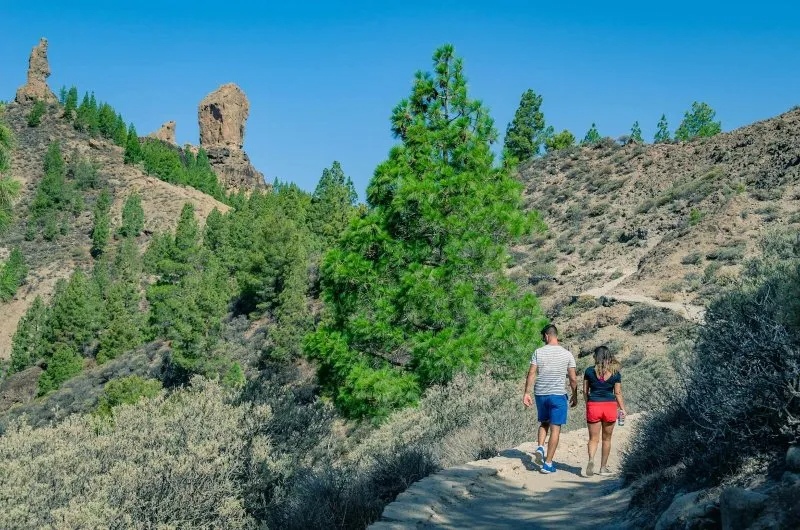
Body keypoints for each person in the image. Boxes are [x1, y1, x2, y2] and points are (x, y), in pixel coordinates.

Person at [522, 324, 578, 474]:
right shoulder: (567, 354)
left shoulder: (538, 352)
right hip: (558, 395)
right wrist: (575, 395)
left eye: (543, 337)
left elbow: (532, 373)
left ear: (547, 336)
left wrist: (526, 392)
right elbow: (573, 378)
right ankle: (548, 464)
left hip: (540, 393)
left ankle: (540, 446)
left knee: (544, 422)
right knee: (555, 428)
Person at [583, 345, 627, 477]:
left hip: (594, 405)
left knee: (593, 439)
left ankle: (591, 460)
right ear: (609, 357)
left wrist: (588, 403)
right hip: (609, 406)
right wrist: (623, 409)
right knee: (606, 439)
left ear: (596, 357)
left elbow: (585, 391)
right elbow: (618, 393)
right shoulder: (615, 373)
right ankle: (603, 468)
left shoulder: (589, 371)